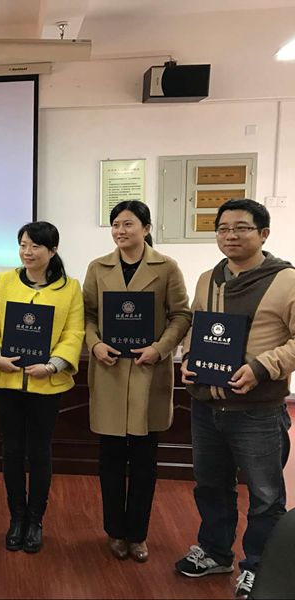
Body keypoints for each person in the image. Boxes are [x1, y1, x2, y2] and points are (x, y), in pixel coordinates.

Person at [174, 199, 294, 599]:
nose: (230, 236)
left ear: (263, 234)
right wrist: (189, 358)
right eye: (223, 229)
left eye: (241, 228)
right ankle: (214, 552)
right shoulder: (208, 278)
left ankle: (259, 567)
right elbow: (197, 325)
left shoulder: (286, 280)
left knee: (265, 495)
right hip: (206, 405)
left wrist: (262, 367)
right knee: (210, 485)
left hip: (257, 410)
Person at [83, 200, 191, 563]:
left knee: (145, 462)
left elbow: (181, 315)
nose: (120, 231)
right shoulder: (98, 267)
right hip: (110, 370)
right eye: (115, 224)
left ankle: (138, 534)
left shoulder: (166, 267)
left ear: (146, 228)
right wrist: (95, 344)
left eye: (128, 224)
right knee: (111, 460)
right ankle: (115, 531)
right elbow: (87, 315)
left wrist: (160, 349)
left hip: (148, 370)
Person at [0, 221, 85, 553]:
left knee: (39, 453)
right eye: (23, 245)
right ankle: (16, 518)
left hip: (46, 384)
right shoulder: (4, 281)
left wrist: (53, 365)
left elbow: (74, 333)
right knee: (11, 451)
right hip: (6, 381)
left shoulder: (70, 288)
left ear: (52, 251)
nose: (27, 252)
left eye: (35, 246)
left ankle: (35, 520)